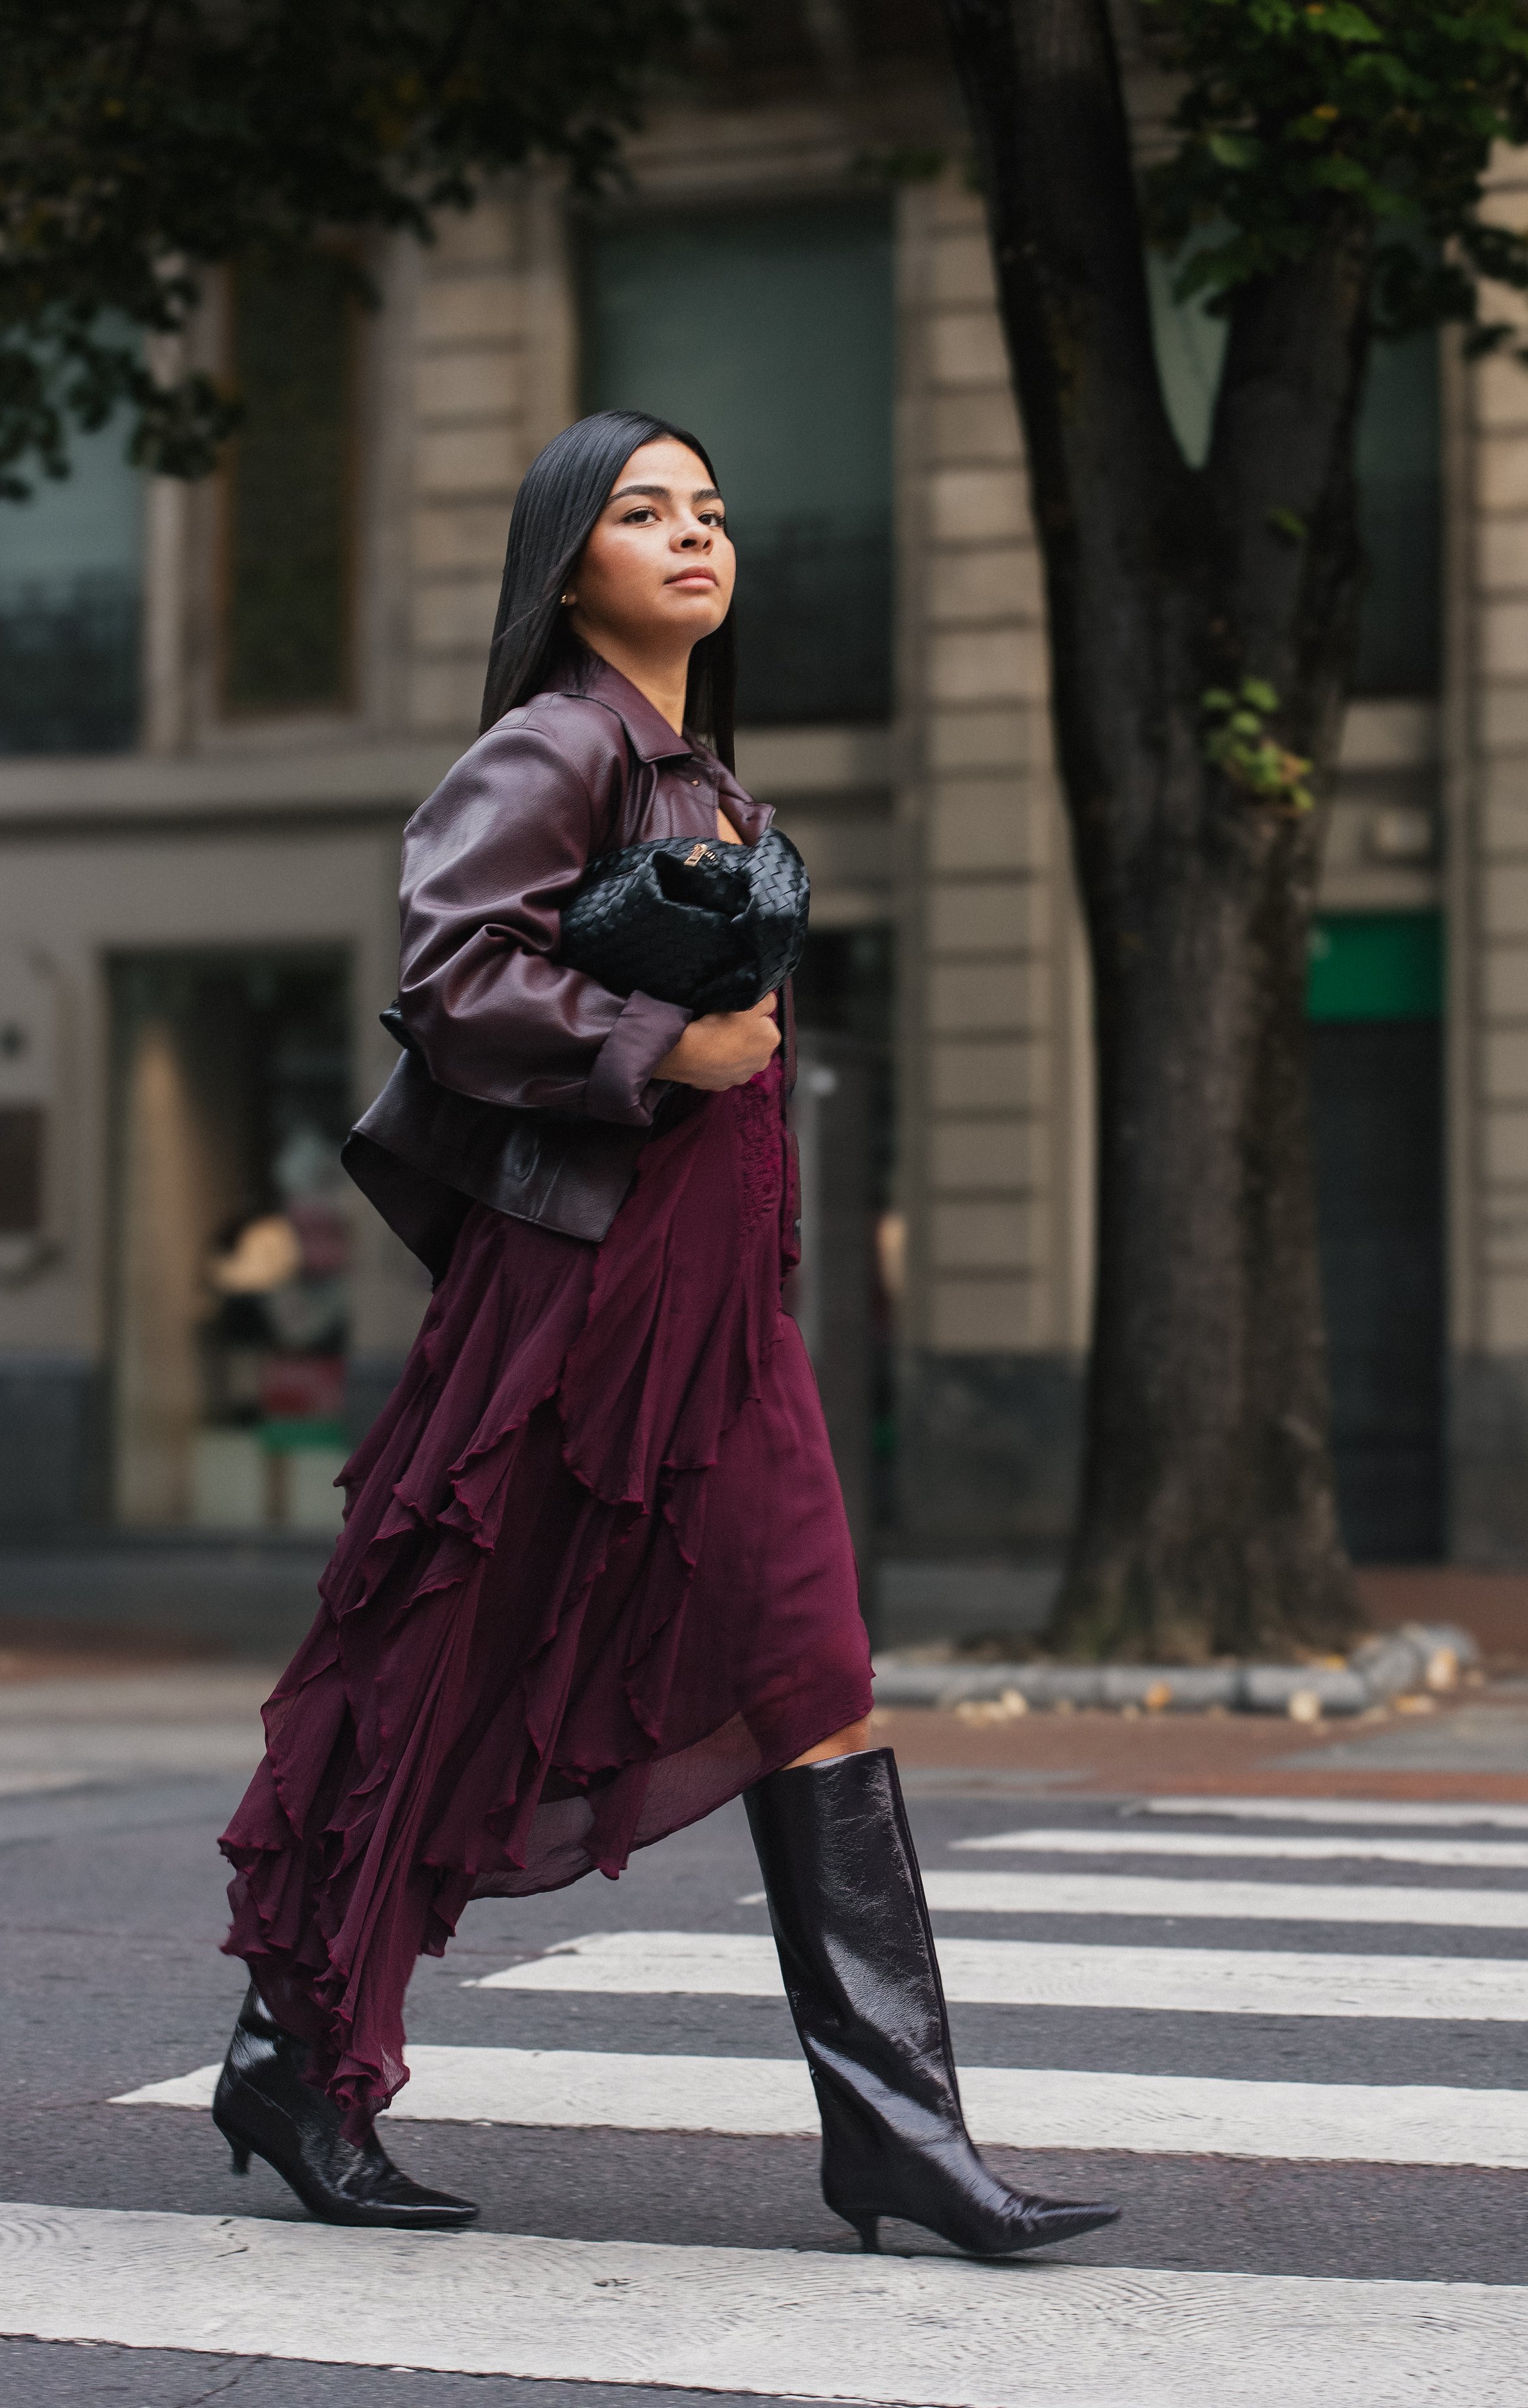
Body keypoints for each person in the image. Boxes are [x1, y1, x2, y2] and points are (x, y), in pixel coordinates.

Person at [212, 409, 1119, 2261]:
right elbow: (456, 972)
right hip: (586, 1292)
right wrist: (667, 1047)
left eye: (710, 507)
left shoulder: (690, 764)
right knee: (459, 1656)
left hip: (713, 1303)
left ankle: (890, 2132)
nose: (693, 536)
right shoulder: (551, 745)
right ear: (569, 566)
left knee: (809, 1661)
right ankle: (294, 2055)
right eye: (644, 513)